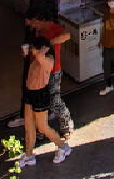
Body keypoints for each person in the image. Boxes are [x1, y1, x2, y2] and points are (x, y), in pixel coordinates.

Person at [18, 37, 71, 167]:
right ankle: (29, 154)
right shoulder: (36, 58)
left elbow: (41, 56)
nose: (32, 50)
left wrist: (45, 47)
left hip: (40, 96)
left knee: (42, 127)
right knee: (29, 126)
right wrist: (27, 54)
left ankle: (62, 146)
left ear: (41, 49)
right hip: (30, 94)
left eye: (34, 48)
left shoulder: (48, 60)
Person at [25, 9, 73, 141]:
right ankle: (41, 129)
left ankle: (67, 126)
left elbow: (67, 36)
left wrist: (49, 43)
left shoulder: (54, 28)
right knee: (41, 102)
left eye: (34, 23)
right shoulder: (38, 31)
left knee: (55, 101)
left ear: (42, 20)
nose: (33, 26)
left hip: (53, 71)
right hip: (39, 73)